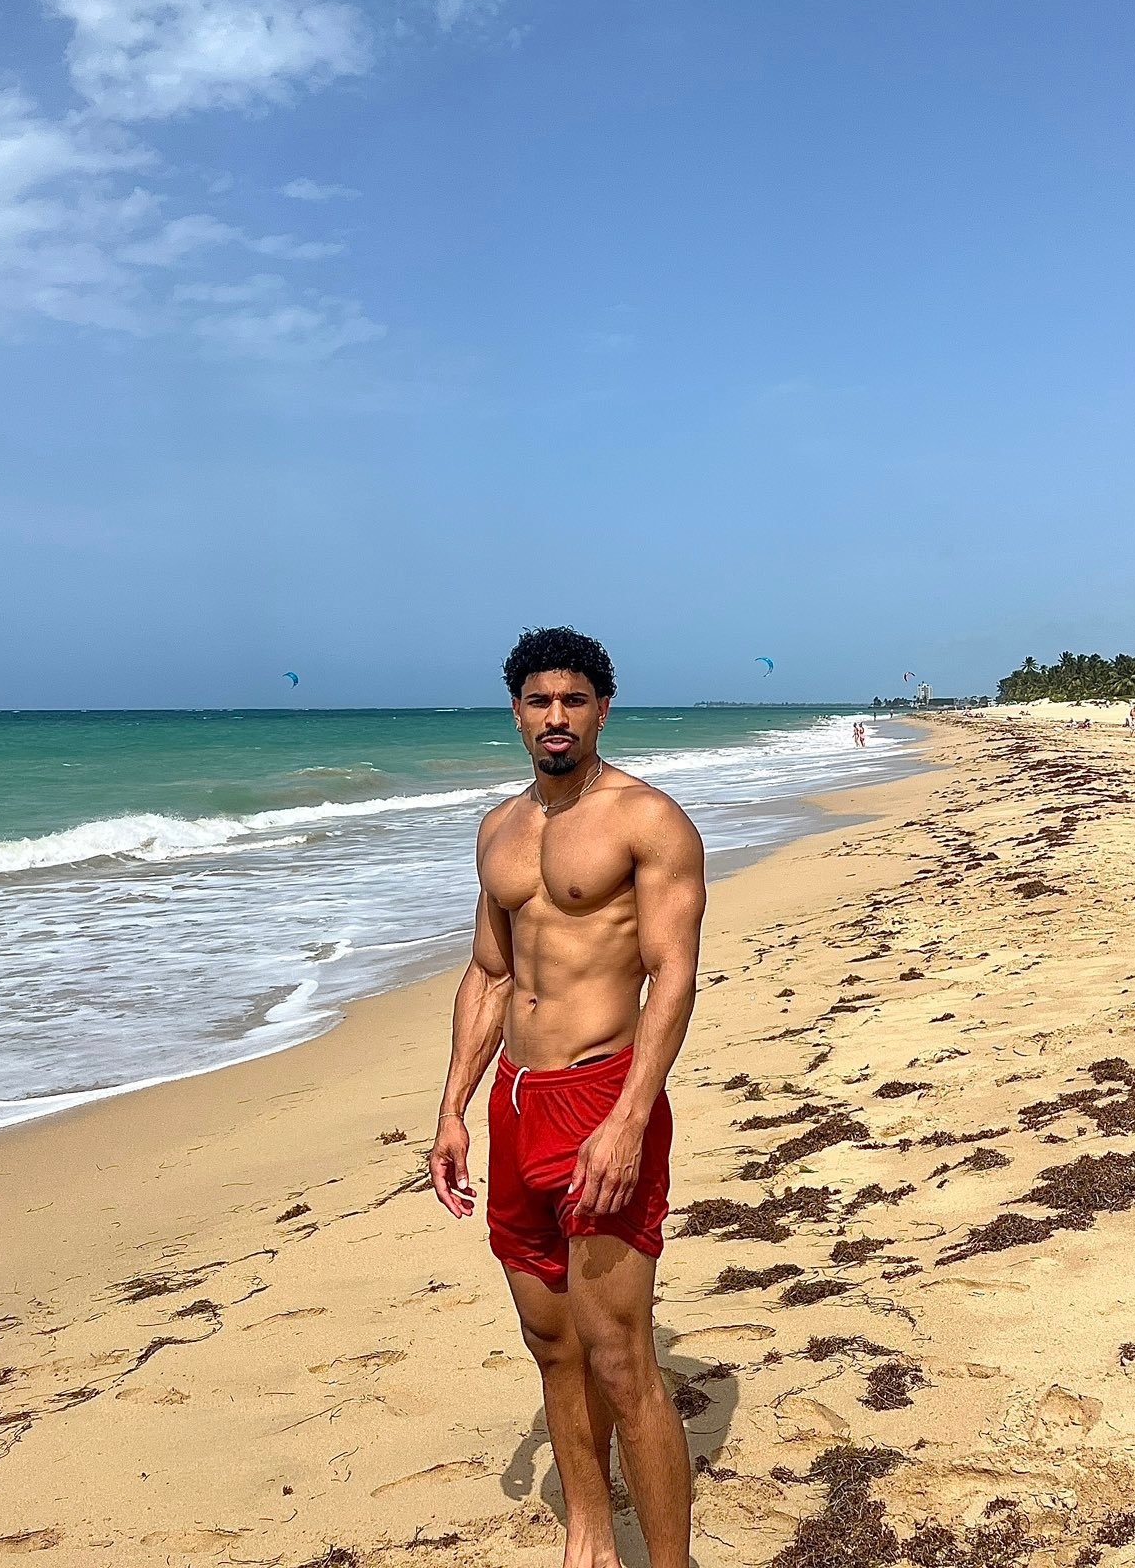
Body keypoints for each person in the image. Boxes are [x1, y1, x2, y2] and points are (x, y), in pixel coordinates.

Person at [428, 626, 706, 1568]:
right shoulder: (499, 829)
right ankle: (589, 1534)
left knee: (621, 1358)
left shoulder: (647, 820)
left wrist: (630, 1118)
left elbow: (672, 977)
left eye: (574, 700)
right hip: (516, 1102)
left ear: (602, 711)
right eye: (540, 700)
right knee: (551, 1344)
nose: (557, 716)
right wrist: (453, 1110)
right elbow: (489, 973)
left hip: (602, 1095)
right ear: (516, 712)